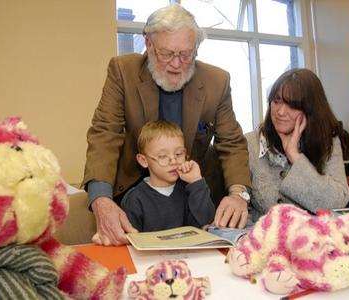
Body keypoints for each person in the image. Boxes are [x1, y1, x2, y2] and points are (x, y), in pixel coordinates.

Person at [83, 4, 251, 246]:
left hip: (193, 207)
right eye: (167, 54)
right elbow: (104, 134)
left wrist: (238, 194)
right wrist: (101, 200)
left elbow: (232, 143)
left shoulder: (217, 81)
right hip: (134, 201)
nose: (177, 64)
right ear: (148, 44)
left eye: (186, 54)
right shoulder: (123, 71)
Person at [245, 68, 349, 221]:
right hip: (264, 240)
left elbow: (336, 203)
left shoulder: (328, 141)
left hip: (313, 239)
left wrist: (295, 157)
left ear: (311, 110)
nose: (280, 112)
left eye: (292, 105)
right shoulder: (250, 144)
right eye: (276, 101)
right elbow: (239, 209)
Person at [120, 121, 215, 232]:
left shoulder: (189, 190)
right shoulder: (134, 199)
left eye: (179, 154)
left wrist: (196, 182)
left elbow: (207, 222)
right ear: (144, 160)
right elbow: (131, 241)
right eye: (163, 156)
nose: (174, 161)